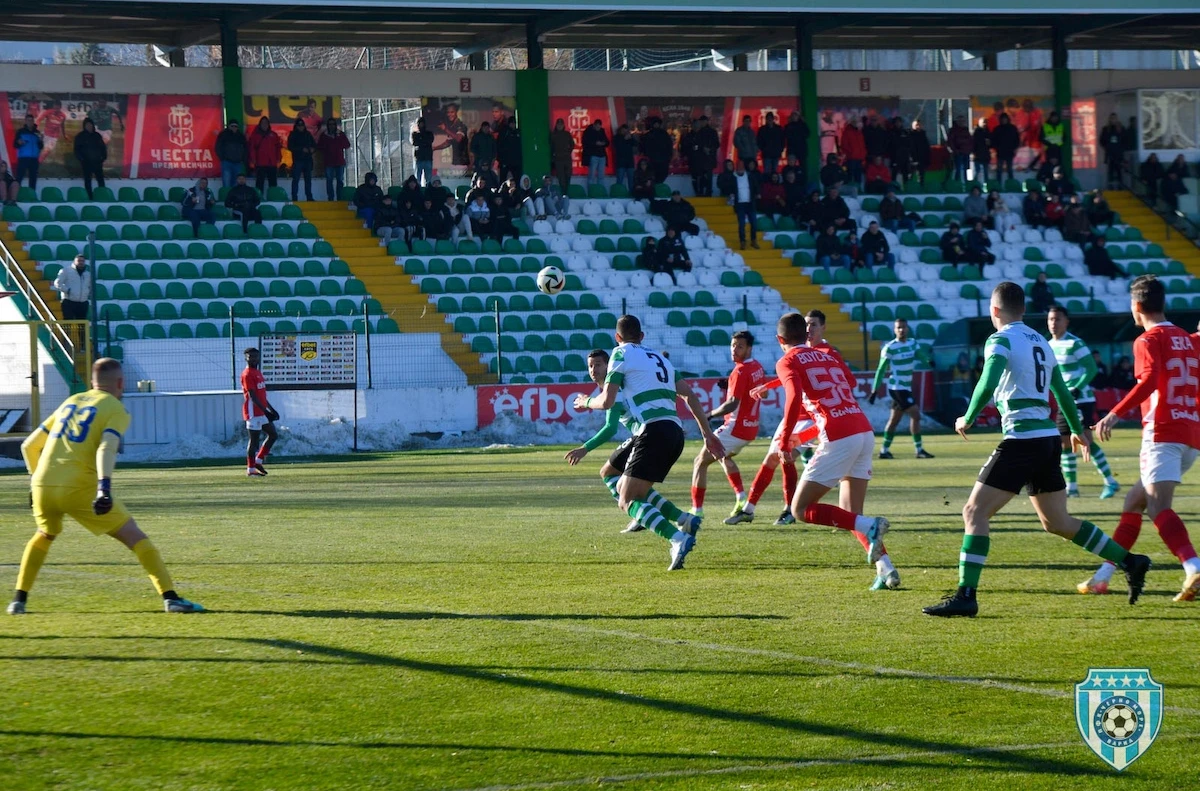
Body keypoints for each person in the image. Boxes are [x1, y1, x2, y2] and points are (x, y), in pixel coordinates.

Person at [922, 283, 1150, 618]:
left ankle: (966, 595)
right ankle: (1131, 561)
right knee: (1057, 521)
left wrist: (968, 416)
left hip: (1022, 441)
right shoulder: (1040, 340)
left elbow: (989, 378)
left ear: (995, 310)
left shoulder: (999, 339)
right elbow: (1061, 391)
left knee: (974, 513)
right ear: (1023, 310)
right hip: (1046, 441)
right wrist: (1076, 429)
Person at [8, 358, 206, 615]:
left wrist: (35, 484)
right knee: (136, 537)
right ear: (121, 383)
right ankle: (171, 598)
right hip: (79, 486)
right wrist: (104, 487)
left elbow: (28, 446)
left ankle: (18, 601)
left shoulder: (71, 401)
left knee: (44, 535)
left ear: (92, 382)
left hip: (43, 483)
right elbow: (107, 446)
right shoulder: (115, 408)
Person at [572, 315, 725, 571]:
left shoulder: (620, 355)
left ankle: (678, 538)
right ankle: (683, 520)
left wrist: (585, 402)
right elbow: (690, 395)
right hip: (675, 432)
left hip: (652, 432)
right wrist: (708, 434)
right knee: (619, 480)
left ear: (617, 338)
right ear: (642, 336)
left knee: (627, 500)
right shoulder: (661, 358)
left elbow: (607, 402)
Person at [1087, 275, 1200, 603]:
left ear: (1136, 307)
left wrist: (1113, 413)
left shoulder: (1147, 341)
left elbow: (1150, 379)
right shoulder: (1187, 339)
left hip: (1162, 433)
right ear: (1163, 304)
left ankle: (1193, 566)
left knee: (1157, 507)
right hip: (1189, 434)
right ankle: (1103, 576)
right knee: (1134, 503)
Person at [775, 312, 897, 587]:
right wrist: (802, 436)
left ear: (779, 339)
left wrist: (784, 440)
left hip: (841, 436)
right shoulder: (828, 355)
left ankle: (872, 528)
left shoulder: (787, 360)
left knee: (800, 509)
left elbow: (794, 398)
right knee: (851, 512)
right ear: (806, 335)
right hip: (862, 431)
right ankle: (886, 569)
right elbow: (840, 400)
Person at [565, 349, 699, 535]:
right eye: (590, 366)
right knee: (620, 478)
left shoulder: (616, 388)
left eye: (598, 365)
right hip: (648, 434)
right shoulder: (613, 388)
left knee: (611, 475)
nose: (593, 369)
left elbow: (610, 428)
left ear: (608, 365)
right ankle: (681, 518)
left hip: (645, 436)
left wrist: (584, 448)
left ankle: (657, 520)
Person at [731, 311, 829, 526]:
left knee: (786, 457)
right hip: (794, 415)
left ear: (823, 328)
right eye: (807, 325)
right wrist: (769, 385)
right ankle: (748, 509)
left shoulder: (827, 352)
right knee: (771, 459)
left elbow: (846, 382)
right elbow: (792, 378)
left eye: (813, 324)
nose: (809, 328)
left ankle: (790, 509)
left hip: (812, 416)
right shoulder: (806, 352)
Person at [1047, 306, 1120, 500]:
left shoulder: (1075, 344)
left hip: (1080, 399)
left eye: (1057, 319)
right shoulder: (1048, 345)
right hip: (1065, 400)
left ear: (1066, 321)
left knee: (1083, 439)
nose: (1053, 323)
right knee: (1066, 442)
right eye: (1051, 319)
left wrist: (1077, 387)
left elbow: (1091, 369)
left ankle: (1104, 482)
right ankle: (1074, 487)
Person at [691, 331, 765, 519]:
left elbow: (732, 404)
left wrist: (709, 414)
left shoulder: (740, 371)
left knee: (700, 462)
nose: (734, 349)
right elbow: (763, 393)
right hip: (751, 427)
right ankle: (741, 497)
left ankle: (696, 511)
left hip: (735, 428)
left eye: (740, 346)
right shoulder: (756, 367)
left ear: (749, 348)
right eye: (733, 345)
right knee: (725, 458)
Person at [870, 318, 934, 460]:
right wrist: (875, 390)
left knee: (894, 421)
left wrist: (928, 360)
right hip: (897, 387)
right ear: (894, 330)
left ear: (907, 328)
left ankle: (884, 451)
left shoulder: (912, 343)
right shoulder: (890, 347)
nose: (901, 330)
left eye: (903, 327)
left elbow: (920, 355)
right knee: (916, 415)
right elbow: (881, 369)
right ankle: (919, 450)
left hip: (906, 387)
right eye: (898, 327)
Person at [241, 347, 279, 477]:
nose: (254, 359)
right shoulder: (247, 374)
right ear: (246, 358)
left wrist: (272, 410)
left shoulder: (257, 372)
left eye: (256, 356)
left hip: (261, 411)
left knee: (273, 434)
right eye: (251, 356)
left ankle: (258, 460)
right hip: (253, 412)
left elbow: (262, 395)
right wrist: (265, 411)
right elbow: (252, 396)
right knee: (254, 440)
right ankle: (251, 469)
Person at [72, 119, 107, 200]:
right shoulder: (80, 136)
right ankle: (89, 197)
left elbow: (103, 147)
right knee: (88, 181)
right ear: (84, 126)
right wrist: (82, 159)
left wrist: (103, 157)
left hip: (97, 162)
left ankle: (102, 196)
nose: (89, 127)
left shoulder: (97, 135)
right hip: (86, 162)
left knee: (100, 180)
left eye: (91, 125)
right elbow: (76, 150)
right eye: (87, 125)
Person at [316, 118, 350, 201]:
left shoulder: (340, 134)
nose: (331, 126)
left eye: (333, 124)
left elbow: (347, 145)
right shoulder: (324, 135)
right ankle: (330, 198)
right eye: (330, 124)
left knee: (340, 180)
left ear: (335, 125)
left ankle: (340, 198)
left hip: (339, 161)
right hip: (329, 161)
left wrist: (338, 138)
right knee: (329, 181)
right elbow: (319, 146)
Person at [248, 117, 282, 193]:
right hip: (260, 162)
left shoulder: (274, 135)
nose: (264, 124)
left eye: (266, 123)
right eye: (263, 123)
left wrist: (279, 159)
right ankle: (259, 199)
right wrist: (253, 160)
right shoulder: (255, 135)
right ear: (260, 124)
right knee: (259, 183)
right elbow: (252, 148)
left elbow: (278, 148)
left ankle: (273, 197)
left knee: (273, 183)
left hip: (272, 162)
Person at [732, 159, 760, 250]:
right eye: (739, 169)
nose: (740, 170)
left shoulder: (750, 177)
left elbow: (756, 186)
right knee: (741, 224)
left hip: (750, 203)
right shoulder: (733, 178)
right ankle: (742, 241)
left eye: (741, 168)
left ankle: (753, 240)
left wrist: (757, 193)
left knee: (754, 223)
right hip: (740, 204)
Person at [53, 254, 91, 321]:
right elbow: (57, 283)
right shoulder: (66, 271)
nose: (81, 262)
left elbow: (90, 285)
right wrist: (67, 291)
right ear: (74, 261)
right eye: (79, 260)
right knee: (68, 323)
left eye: (82, 261)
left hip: (83, 302)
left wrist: (87, 293)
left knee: (82, 325)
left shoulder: (87, 274)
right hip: (69, 301)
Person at [688, 116, 719, 197]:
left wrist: (709, 149)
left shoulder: (712, 132)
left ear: (706, 121)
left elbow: (717, 144)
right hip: (700, 158)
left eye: (703, 121)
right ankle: (701, 192)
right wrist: (702, 148)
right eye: (700, 122)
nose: (701, 123)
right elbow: (695, 145)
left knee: (708, 176)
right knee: (701, 176)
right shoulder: (698, 133)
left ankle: (708, 192)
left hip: (709, 158)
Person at [286, 118, 316, 202]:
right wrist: (301, 149)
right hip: (298, 160)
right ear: (296, 126)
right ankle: (294, 197)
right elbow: (290, 146)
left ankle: (309, 197)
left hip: (307, 160)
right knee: (295, 179)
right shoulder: (293, 135)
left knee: (308, 180)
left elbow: (314, 145)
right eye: (299, 125)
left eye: (302, 125)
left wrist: (312, 149)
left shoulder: (308, 134)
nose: (301, 127)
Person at [432, 103, 469, 168]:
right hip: (455, 162)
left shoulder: (461, 125)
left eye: (452, 112)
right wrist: (435, 148)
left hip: (463, 163)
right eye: (448, 112)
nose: (449, 114)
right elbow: (448, 143)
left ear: (456, 112)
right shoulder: (451, 126)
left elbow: (458, 139)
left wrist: (445, 129)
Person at [215, 120, 247, 189]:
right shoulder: (223, 135)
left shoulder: (241, 136)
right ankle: (227, 199)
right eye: (232, 126)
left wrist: (242, 159)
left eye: (236, 126)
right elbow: (218, 147)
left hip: (238, 163)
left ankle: (235, 199)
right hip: (226, 162)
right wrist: (222, 158)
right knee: (226, 184)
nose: (234, 128)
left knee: (237, 184)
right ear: (228, 126)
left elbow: (245, 149)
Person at [640, 117, 674, 184]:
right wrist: (646, 154)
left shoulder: (664, 134)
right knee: (652, 176)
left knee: (662, 175)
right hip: (653, 160)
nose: (656, 125)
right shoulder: (649, 135)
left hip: (663, 160)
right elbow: (643, 145)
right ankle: (655, 189)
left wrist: (669, 156)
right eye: (655, 124)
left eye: (657, 124)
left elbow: (669, 146)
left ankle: (658, 188)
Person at [13, 114, 43, 189]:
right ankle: (15, 195)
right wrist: (19, 143)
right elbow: (15, 145)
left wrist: (40, 141)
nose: (30, 122)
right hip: (23, 158)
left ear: (33, 121)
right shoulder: (20, 132)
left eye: (32, 120)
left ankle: (32, 196)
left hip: (34, 159)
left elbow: (41, 146)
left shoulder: (37, 132)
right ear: (25, 121)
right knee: (19, 177)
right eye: (28, 120)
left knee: (33, 178)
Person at [1099, 113, 1126, 188]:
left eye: (1114, 118)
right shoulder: (1106, 129)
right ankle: (1110, 188)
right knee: (1110, 171)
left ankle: (1121, 188)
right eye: (1111, 118)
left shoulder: (1121, 128)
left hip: (1119, 154)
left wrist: (1122, 149)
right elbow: (1101, 140)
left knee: (1119, 171)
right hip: (1110, 154)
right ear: (1109, 119)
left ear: (1117, 119)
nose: (1113, 120)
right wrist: (1106, 147)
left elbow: (1125, 140)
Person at [991, 113, 1020, 182]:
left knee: (1009, 170)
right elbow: (993, 140)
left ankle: (1011, 184)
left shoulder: (1012, 128)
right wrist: (997, 148)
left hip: (1009, 152)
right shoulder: (997, 129)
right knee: (999, 170)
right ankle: (999, 185)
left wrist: (1014, 148)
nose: (1004, 120)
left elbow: (1017, 139)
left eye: (1005, 119)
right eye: (1002, 119)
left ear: (1007, 119)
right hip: (1000, 152)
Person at [581, 119, 609, 188]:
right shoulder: (588, 132)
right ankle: (591, 190)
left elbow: (607, 142)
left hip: (602, 155)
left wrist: (603, 143)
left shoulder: (602, 131)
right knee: (592, 175)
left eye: (599, 126)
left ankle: (600, 191)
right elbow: (585, 142)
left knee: (601, 175)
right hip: (593, 155)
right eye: (597, 126)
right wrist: (595, 143)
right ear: (594, 125)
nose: (598, 128)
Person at [756, 112, 786, 176]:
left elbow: (783, 140)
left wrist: (781, 149)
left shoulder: (779, 128)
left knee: (775, 172)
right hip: (766, 155)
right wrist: (763, 149)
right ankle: (767, 185)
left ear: (773, 119)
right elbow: (758, 141)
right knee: (767, 172)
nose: (769, 120)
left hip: (776, 154)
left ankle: (774, 185)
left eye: (770, 118)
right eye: (768, 118)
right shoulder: (762, 129)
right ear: (766, 119)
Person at [550, 119, 574, 193]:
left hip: (567, 158)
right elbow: (550, 146)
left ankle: (567, 192)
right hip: (558, 159)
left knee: (568, 176)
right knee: (561, 178)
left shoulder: (567, 134)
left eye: (561, 124)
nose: (559, 126)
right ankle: (563, 193)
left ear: (563, 125)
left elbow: (572, 144)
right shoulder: (553, 135)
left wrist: (568, 152)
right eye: (558, 124)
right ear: (556, 125)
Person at [947, 116, 973, 182]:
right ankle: (957, 182)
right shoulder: (953, 130)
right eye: (960, 121)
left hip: (966, 152)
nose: (962, 122)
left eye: (963, 121)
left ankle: (968, 182)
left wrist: (970, 149)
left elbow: (970, 141)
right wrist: (955, 150)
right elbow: (950, 142)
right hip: (958, 153)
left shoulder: (966, 130)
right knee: (957, 169)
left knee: (968, 169)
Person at [613, 124, 637, 195]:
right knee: (620, 179)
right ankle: (618, 193)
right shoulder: (617, 137)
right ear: (620, 130)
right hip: (621, 161)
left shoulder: (629, 138)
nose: (624, 132)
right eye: (623, 130)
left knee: (631, 180)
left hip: (629, 161)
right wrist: (624, 139)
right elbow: (617, 146)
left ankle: (632, 193)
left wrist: (631, 138)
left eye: (626, 131)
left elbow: (636, 144)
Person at [887, 117, 912, 184]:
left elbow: (909, 144)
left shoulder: (905, 132)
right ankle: (893, 188)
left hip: (904, 157)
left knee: (905, 173)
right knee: (894, 174)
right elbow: (889, 145)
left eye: (899, 122)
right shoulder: (891, 132)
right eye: (896, 122)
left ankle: (906, 188)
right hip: (895, 157)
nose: (898, 124)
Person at [412, 117, 434, 186]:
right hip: (418, 158)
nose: (421, 125)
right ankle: (417, 191)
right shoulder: (414, 134)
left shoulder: (429, 133)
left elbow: (430, 141)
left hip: (428, 158)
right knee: (417, 178)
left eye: (422, 123)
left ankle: (428, 192)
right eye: (419, 124)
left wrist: (421, 141)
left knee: (428, 179)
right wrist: (424, 142)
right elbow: (414, 142)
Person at [910, 119, 931, 185]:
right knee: (910, 174)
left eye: (919, 125)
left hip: (922, 157)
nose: (918, 126)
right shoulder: (910, 135)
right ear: (913, 126)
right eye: (916, 125)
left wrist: (927, 157)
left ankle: (921, 186)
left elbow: (926, 147)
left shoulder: (923, 134)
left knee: (921, 174)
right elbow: (910, 147)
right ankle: (909, 187)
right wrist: (912, 158)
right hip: (913, 157)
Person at [972, 118, 991, 184]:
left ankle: (986, 184)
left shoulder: (988, 131)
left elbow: (991, 143)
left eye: (985, 122)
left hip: (986, 155)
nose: (984, 124)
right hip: (977, 154)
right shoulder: (976, 132)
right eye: (983, 122)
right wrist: (974, 153)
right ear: (979, 123)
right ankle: (975, 184)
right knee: (977, 171)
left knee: (986, 172)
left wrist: (989, 143)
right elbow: (973, 143)